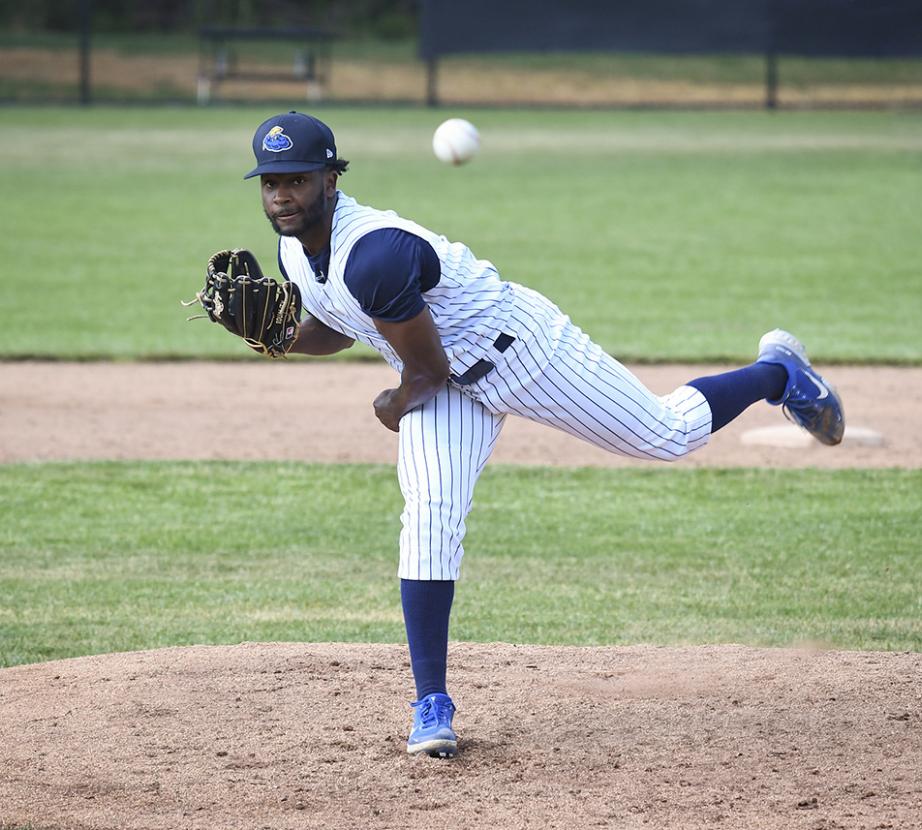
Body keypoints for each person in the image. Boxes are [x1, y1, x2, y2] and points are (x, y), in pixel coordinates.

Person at [242, 111, 844, 759]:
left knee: (667, 434)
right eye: (271, 182)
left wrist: (392, 404)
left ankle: (776, 373)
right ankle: (431, 704)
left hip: (520, 350)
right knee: (428, 520)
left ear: (332, 178)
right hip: (445, 383)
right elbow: (343, 322)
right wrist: (273, 338)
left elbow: (424, 369)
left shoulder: (375, 252)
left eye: (298, 180)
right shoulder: (294, 249)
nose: (282, 195)